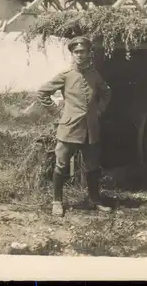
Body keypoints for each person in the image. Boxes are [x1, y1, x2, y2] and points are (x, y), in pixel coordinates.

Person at [37, 36, 112, 216]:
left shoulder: (94, 75)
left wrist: (99, 111)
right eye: (76, 52)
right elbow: (42, 93)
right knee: (61, 165)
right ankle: (57, 202)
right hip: (69, 129)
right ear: (72, 54)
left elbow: (106, 93)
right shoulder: (66, 75)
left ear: (88, 53)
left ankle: (94, 200)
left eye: (83, 51)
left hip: (90, 131)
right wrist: (58, 114)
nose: (80, 55)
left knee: (92, 166)